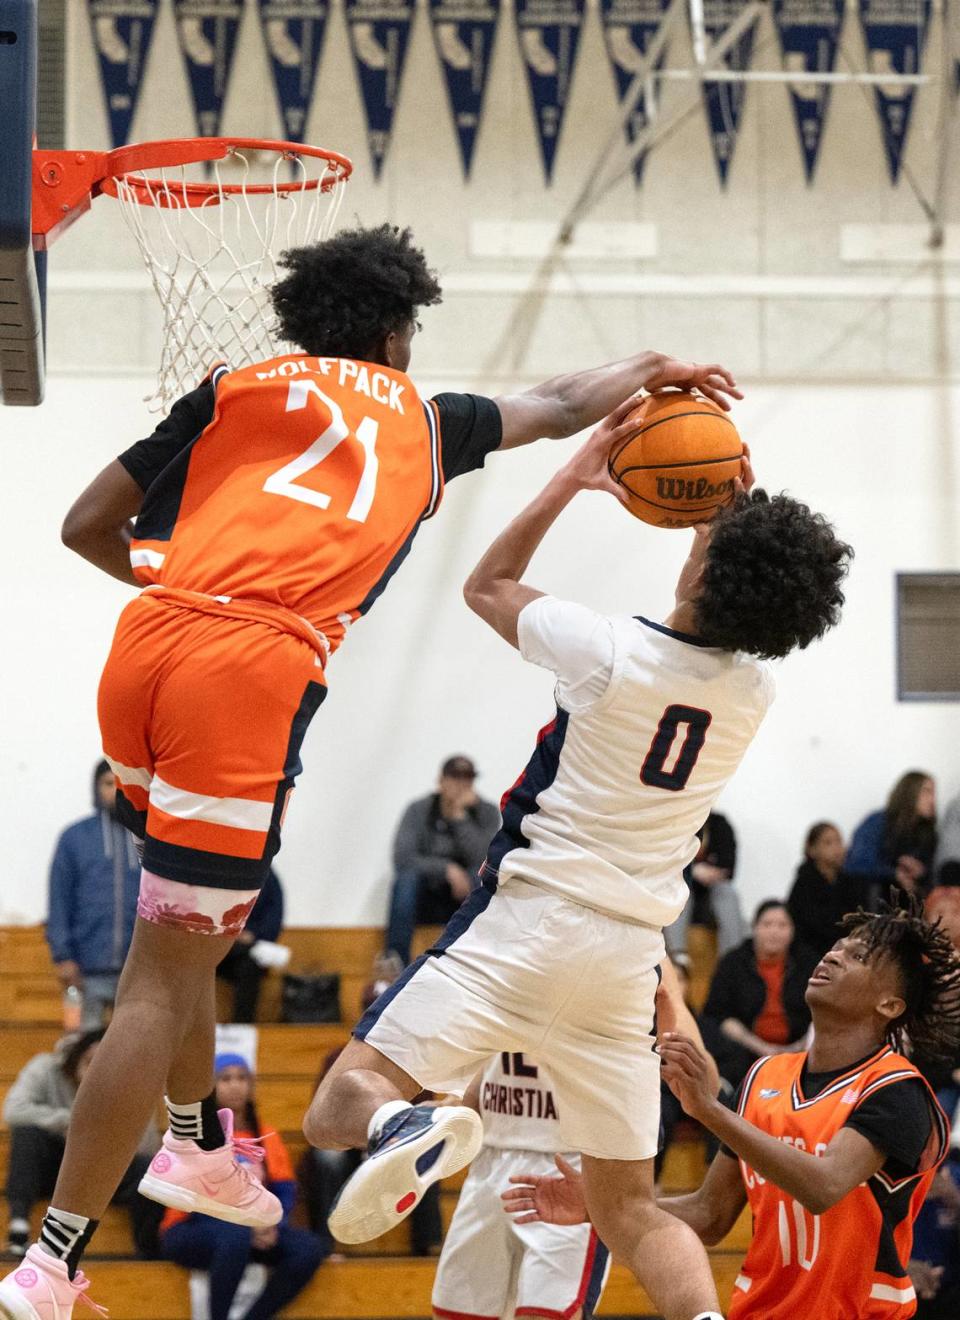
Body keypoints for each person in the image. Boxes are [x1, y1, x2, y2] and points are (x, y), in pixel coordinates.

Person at [0, 217, 737, 1318]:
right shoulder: (427, 423)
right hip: (247, 676)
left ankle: (200, 1148)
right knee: (159, 977)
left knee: (188, 935)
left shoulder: (236, 383)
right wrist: (658, 367)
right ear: (398, 332)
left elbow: (83, 525)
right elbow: (565, 402)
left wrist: (191, 586)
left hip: (147, 648)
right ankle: (51, 1265)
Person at [304, 405, 852, 1320]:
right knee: (630, 1209)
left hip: (526, 924)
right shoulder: (754, 691)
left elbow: (489, 585)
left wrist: (578, 472)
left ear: (706, 563)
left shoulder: (608, 651)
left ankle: (404, 1122)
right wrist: (731, 502)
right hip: (626, 962)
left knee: (336, 1108)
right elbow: (739, 585)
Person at [504, 902, 960, 1319]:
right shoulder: (766, 1076)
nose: (833, 956)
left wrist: (709, 1110)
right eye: (837, 947)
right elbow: (709, 1214)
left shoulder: (897, 1089)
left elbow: (823, 1186)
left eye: (858, 956)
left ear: (889, 1004)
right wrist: (600, 1208)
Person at [432, 960, 711, 1320]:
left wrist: (670, 1014)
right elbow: (490, 1055)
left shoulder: (639, 949)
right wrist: (455, 1109)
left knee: (544, 1313)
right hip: (492, 1158)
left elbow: (707, 1082)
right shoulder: (507, 938)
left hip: (571, 1166)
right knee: (456, 1312)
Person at [159, 1054, 327, 1320]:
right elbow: (193, 1198)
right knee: (235, 1234)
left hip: (252, 1231)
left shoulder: (266, 1135)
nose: (235, 1085)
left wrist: (273, 1225)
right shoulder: (196, 1136)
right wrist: (248, 1225)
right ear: (211, 1087)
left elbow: (283, 1190)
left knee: (308, 1248)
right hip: (191, 1228)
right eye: (226, 1078)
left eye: (242, 1078)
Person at [2, 1031, 160, 1260]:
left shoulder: (131, 1083)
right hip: (55, 1166)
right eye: (90, 1062)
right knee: (27, 1135)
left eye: (105, 1065)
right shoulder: (46, 1067)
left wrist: (106, 1115)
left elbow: (148, 1145)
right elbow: (14, 1111)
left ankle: (147, 1248)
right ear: (76, 1059)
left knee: (147, 1169)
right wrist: (70, 1121)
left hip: (103, 1171)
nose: (96, 1070)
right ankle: (18, 1228)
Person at [46, 761, 141, 1029]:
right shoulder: (75, 838)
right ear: (96, 789)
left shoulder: (148, 837)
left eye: (122, 785)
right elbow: (59, 899)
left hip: (138, 975)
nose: (115, 792)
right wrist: (63, 955)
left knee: (134, 1051)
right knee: (85, 1052)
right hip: (87, 971)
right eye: (108, 784)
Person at [386, 755, 500, 965]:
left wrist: (460, 818)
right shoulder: (419, 809)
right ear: (441, 780)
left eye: (468, 778)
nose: (460, 784)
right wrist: (446, 869)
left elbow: (488, 860)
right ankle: (395, 964)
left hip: (464, 896)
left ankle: (485, 962)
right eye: (454, 776)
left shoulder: (487, 812)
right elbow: (403, 858)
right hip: (427, 896)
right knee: (405, 881)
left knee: (483, 881)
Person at [700, 900, 818, 1094]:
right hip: (744, 1052)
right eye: (767, 924)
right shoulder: (733, 962)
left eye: (782, 925)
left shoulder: (809, 962)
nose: (774, 932)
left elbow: (822, 1010)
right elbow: (718, 1014)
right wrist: (762, 1048)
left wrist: (799, 1046)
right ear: (754, 927)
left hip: (801, 1050)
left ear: (793, 930)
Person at [846, 772, 938, 908]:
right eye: (926, 792)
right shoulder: (878, 822)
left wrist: (920, 872)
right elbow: (855, 864)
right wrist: (894, 873)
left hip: (907, 902)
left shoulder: (927, 833)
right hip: (874, 897)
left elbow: (932, 877)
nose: (932, 800)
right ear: (909, 793)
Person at [665, 811, 744, 964]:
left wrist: (707, 872)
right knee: (680, 890)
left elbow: (729, 866)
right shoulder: (677, 821)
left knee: (727, 892)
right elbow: (667, 862)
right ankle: (678, 956)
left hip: (712, 896)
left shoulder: (720, 823)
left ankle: (731, 958)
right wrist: (693, 870)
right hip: (684, 891)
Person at [215, 870, 284, 1023]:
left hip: (246, 950)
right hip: (213, 944)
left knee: (250, 964)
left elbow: (274, 918)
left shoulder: (268, 877)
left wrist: (252, 935)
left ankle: (242, 1027)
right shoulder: (217, 870)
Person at [786, 821, 859, 958]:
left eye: (839, 841)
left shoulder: (849, 881)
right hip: (810, 954)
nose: (837, 848)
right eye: (828, 843)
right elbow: (808, 926)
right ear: (812, 849)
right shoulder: (804, 883)